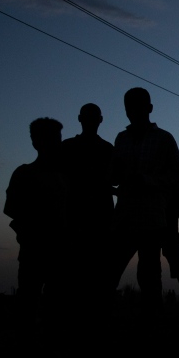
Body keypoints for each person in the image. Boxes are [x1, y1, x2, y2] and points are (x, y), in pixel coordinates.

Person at [111, 88, 179, 307]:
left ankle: (152, 325)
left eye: (138, 107)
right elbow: (115, 177)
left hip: (152, 217)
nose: (133, 112)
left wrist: (147, 181)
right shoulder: (122, 138)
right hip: (124, 216)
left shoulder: (164, 139)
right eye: (129, 108)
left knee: (149, 275)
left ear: (149, 109)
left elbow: (178, 177)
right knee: (110, 270)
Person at [4, 118, 67, 321]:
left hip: (60, 251)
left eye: (58, 138)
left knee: (55, 306)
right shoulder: (25, 174)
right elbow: (13, 210)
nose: (57, 144)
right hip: (34, 251)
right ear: (36, 142)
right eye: (52, 139)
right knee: (29, 302)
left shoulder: (66, 177)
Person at [60, 104, 115, 301]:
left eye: (94, 118)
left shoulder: (108, 149)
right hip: (73, 223)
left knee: (95, 280)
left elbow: (116, 179)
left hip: (99, 223)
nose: (91, 122)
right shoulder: (67, 147)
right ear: (80, 119)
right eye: (88, 117)